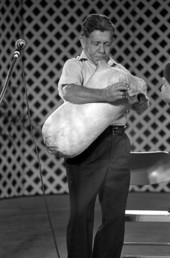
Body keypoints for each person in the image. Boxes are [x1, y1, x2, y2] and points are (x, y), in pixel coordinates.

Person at [58, 14, 149, 258]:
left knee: (115, 215)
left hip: (117, 142)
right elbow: (71, 93)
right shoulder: (74, 65)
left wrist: (138, 101)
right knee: (81, 214)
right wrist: (106, 94)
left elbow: (140, 107)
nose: (102, 49)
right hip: (85, 145)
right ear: (83, 40)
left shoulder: (120, 71)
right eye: (96, 43)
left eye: (107, 44)